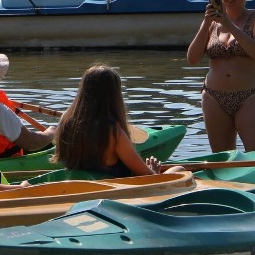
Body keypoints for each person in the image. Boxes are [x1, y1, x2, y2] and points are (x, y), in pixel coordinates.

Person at [186, 0, 255, 154]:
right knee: (222, 161)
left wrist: (231, 26)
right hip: (214, 96)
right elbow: (192, 59)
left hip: (250, 96)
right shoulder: (212, 22)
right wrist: (206, 23)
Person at [51, 65, 182, 176]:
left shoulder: (66, 120)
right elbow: (146, 175)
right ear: (114, 95)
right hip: (114, 189)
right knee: (179, 170)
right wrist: (153, 170)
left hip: (82, 183)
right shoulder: (114, 132)